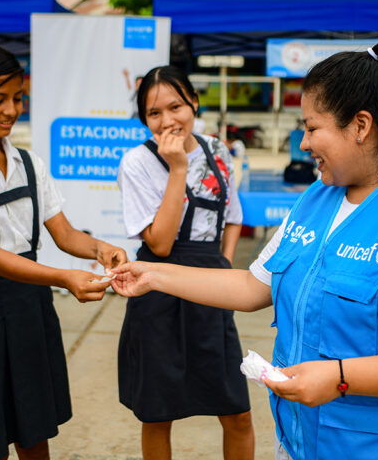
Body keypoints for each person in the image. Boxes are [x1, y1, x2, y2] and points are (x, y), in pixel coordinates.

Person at [111, 44, 378, 460]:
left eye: (311, 128)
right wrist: (154, 275)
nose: (303, 143)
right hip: (299, 444)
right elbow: (252, 286)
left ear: (361, 125)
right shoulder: (317, 197)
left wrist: (340, 377)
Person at [0, 44, 127, 460]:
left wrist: (102, 249)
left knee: (34, 428)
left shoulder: (29, 163)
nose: (11, 110)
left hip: (31, 308)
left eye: (18, 98)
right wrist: (64, 277)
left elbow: (64, 233)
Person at [117, 65, 255, 460]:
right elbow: (160, 244)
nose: (166, 121)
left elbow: (232, 216)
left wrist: (222, 267)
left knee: (237, 412)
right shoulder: (137, 162)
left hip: (210, 288)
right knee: (158, 415)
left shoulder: (217, 150)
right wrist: (178, 167)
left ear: (194, 102)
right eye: (153, 113)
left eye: (175, 106)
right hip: (157, 287)